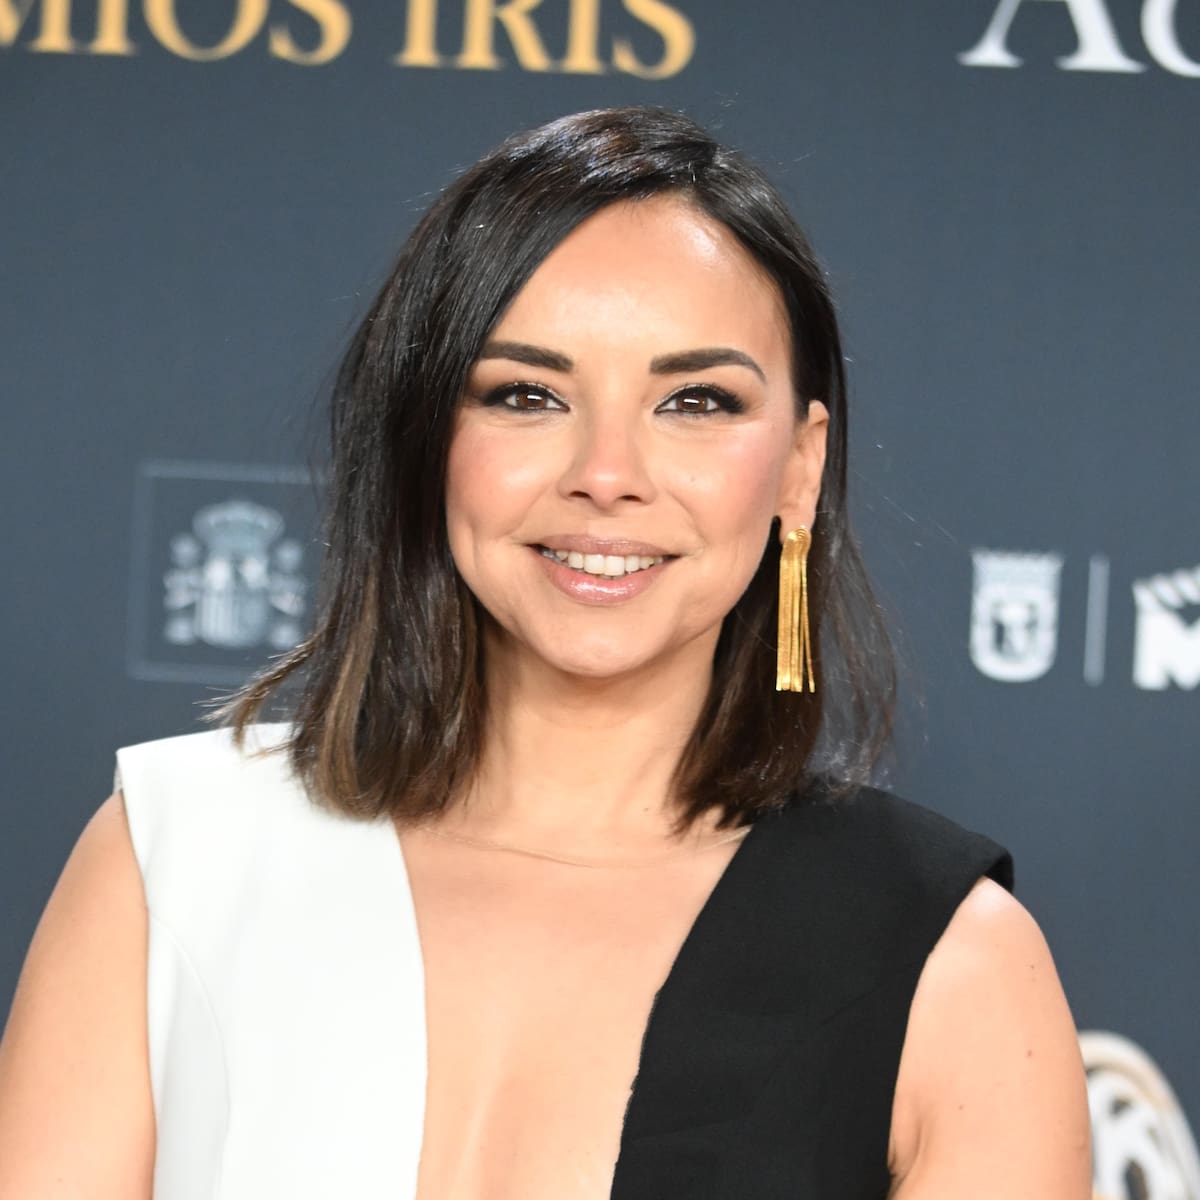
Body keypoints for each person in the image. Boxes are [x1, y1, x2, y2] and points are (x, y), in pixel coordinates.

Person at [0, 106, 1090, 1198]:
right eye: (527, 394)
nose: (606, 474)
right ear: (429, 436)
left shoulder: (950, 964)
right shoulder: (177, 854)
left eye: (695, 401)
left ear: (799, 468)